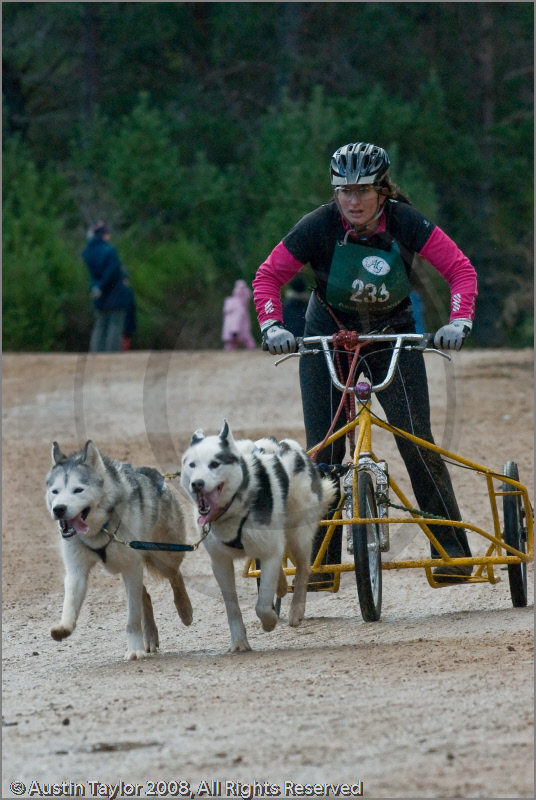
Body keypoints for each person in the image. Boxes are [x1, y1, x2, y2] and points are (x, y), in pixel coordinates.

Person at [253, 141, 478, 585]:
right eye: (343, 191)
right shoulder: (317, 225)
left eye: (362, 191)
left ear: (382, 190)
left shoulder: (406, 222)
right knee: (325, 448)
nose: (352, 201)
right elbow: (268, 277)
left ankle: (452, 550)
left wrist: (460, 319)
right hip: (327, 335)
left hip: (392, 333)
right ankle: (317, 562)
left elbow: (460, 270)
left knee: (417, 441)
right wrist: (272, 326)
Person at [82, 222, 131, 353]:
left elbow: (93, 274)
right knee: (115, 324)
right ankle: (112, 354)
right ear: (103, 234)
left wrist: (97, 286)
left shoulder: (86, 252)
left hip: (97, 292)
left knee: (100, 324)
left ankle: (96, 353)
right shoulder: (110, 250)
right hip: (115, 293)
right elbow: (112, 272)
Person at [221, 279, 256, 351]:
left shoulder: (233, 303)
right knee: (246, 342)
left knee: (232, 344)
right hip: (238, 330)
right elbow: (236, 319)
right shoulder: (239, 305)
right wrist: (235, 330)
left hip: (236, 331)